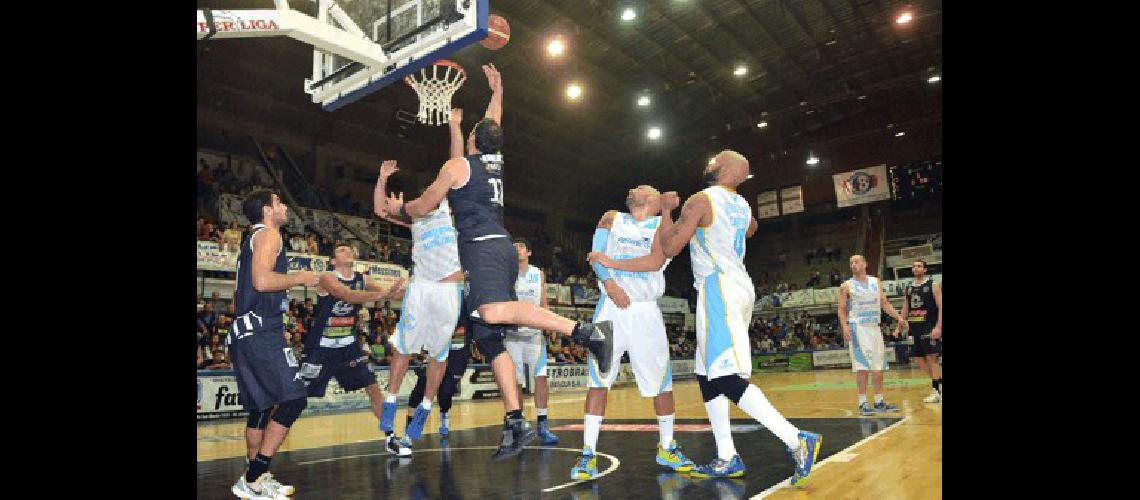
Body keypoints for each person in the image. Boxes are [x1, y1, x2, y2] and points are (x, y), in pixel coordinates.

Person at [380, 64, 613, 459]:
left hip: (485, 247)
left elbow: (424, 203)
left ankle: (584, 332)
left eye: (471, 130)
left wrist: (409, 209)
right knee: (490, 341)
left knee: (493, 311)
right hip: (490, 249)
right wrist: (498, 90)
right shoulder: (493, 160)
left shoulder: (458, 166)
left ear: (473, 139)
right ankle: (515, 422)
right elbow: (493, 123)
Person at [652, 150, 820, 484]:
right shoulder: (743, 205)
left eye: (714, 160)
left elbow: (669, 248)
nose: (708, 163)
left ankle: (795, 438)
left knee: (725, 376)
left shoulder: (700, 200)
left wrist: (666, 211)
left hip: (719, 288)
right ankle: (727, 455)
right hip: (738, 287)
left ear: (725, 169)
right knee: (706, 373)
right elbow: (752, 229)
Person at [572, 185, 696, 480]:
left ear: (654, 201)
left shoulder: (662, 225)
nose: (632, 189)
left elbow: (654, 260)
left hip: (645, 311)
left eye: (643, 188)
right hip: (609, 307)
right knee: (598, 379)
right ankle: (588, 453)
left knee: (661, 384)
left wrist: (668, 211)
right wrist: (610, 283)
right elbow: (595, 254)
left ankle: (667, 447)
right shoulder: (611, 217)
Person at [228, 190, 320, 499]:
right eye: (279, 202)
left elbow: (242, 290)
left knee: (261, 407)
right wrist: (300, 277)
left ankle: (256, 474)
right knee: (294, 400)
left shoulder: (251, 240)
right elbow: (262, 282)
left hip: (244, 331)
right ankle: (253, 476)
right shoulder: (269, 234)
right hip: (260, 332)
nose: (284, 207)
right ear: (267, 210)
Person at [372, 157, 465, 456]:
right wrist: (383, 177)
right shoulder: (415, 215)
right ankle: (390, 400)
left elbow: (457, 160)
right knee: (404, 346)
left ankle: (425, 407)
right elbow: (379, 210)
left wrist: (455, 128)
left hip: (449, 288)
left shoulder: (455, 214)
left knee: (439, 355)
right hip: (421, 286)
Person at [300, 244, 407, 454]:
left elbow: (393, 295)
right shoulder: (326, 277)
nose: (347, 250)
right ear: (332, 261)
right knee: (294, 397)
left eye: (349, 248)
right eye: (340, 249)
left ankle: (391, 436)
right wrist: (383, 294)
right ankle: (266, 433)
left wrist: (413, 291)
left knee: (373, 388)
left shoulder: (363, 279)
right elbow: (346, 295)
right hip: (320, 348)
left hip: (348, 347)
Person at [505, 238, 559, 444]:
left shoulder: (538, 274)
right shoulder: (507, 273)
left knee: (541, 378)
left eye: (520, 247)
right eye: (514, 247)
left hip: (534, 336)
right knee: (515, 382)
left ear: (529, 252)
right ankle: (519, 426)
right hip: (513, 337)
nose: (516, 249)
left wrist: (551, 324)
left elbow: (544, 303)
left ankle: (543, 424)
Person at [837, 255, 907, 415]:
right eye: (851, 263)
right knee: (863, 368)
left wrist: (899, 318)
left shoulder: (876, 281)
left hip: (874, 327)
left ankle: (879, 401)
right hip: (858, 328)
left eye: (856, 262)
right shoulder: (846, 286)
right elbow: (841, 309)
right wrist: (845, 326)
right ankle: (862, 403)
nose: (853, 265)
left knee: (878, 368)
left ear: (865, 264)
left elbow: (884, 303)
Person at [900, 260, 942, 403]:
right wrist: (899, 324)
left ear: (925, 270)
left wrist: (938, 327)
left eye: (919, 266)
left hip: (928, 325)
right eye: (913, 266)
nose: (915, 268)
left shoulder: (933, 284)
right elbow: (905, 307)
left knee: (931, 357)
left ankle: (936, 391)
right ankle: (939, 383)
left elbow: (941, 307)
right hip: (913, 327)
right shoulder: (909, 287)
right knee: (916, 357)